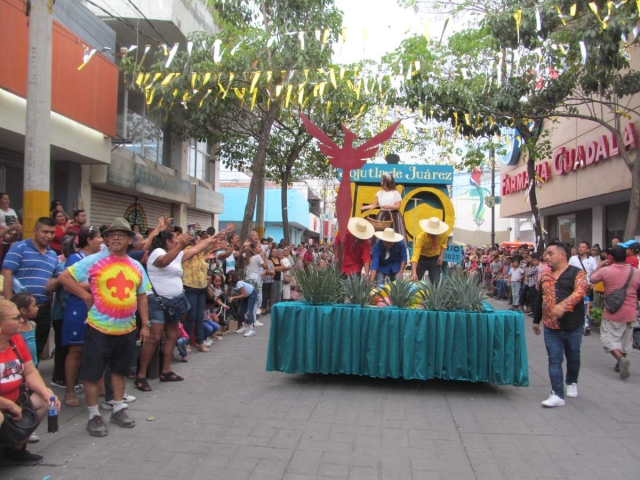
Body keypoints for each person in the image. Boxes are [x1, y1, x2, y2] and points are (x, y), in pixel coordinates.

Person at [58, 218, 151, 437]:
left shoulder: (136, 265)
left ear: (130, 240)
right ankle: (93, 416)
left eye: (122, 234)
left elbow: (141, 295)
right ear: (106, 239)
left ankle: (118, 409)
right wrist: (84, 295)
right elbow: (64, 277)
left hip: (127, 329)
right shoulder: (93, 261)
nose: (116, 237)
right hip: (99, 328)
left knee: (119, 371)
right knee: (92, 374)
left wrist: (145, 324)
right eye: (112, 234)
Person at [136, 229, 219, 393]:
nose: (178, 239)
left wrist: (213, 239)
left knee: (173, 335)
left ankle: (166, 370)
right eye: (175, 238)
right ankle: (141, 375)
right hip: (158, 302)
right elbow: (163, 262)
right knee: (154, 337)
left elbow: (196, 249)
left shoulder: (177, 254)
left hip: (174, 303)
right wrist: (181, 245)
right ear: (167, 241)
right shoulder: (157, 252)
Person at [0, 299, 61, 465]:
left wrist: (44, 391)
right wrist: (10, 405)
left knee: (45, 399)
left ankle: (17, 449)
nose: (21, 320)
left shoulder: (16, 340)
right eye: (15, 318)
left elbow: (30, 371)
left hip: (16, 397)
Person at [533, 241, 589, 407]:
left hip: (573, 325)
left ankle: (571, 381)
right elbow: (540, 300)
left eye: (550, 253)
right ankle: (557, 394)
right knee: (554, 360)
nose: (546, 257)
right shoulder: (546, 275)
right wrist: (536, 321)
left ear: (563, 255)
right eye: (546, 254)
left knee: (573, 356)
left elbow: (580, 292)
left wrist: (563, 306)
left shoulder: (577, 273)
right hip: (551, 327)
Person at [2, 217, 60, 361]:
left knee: (36, 349)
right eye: (45, 232)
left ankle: (30, 379)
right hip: (20, 309)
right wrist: (11, 306)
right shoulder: (19, 248)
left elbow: (60, 276)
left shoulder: (53, 254)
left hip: (42, 308)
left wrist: (56, 281)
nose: (49, 236)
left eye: (52, 233)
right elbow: (7, 274)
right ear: (35, 231)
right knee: (16, 348)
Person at [60, 227, 103, 407]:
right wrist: (92, 287)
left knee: (98, 349)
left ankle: (99, 387)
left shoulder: (102, 259)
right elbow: (67, 284)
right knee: (76, 350)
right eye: (99, 237)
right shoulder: (75, 259)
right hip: (79, 308)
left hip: (98, 308)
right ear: (89, 240)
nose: (102, 240)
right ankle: (70, 390)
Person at [590, 245, 640, 379]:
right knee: (625, 340)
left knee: (608, 339)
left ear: (610, 257)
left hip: (613, 312)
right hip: (630, 312)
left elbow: (592, 278)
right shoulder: (636, 272)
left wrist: (600, 265)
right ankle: (621, 363)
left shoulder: (606, 271)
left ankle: (620, 359)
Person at [182, 232, 220, 353]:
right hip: (190, 288)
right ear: (192, 243)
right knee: (191, 317)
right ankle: (186, 343)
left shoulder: (199, 254)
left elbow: (205, 248)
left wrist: (214, 242)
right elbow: (202, 246)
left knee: (199, 317)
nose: (201, 242)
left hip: (201, 288)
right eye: (199, 240)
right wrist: (212, 240)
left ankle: (200, 341)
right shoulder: (188, 251)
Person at [360, 173, 407, 242]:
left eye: (383, 181)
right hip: (382, 216)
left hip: (394, 217)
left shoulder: (395, 193)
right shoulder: (379, 193)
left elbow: (398, 206)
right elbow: (374, 205)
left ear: (388, 182)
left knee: (394, 233)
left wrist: (389, 206)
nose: (381, 183)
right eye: (381, 181)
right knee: (381, 234)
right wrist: (365, 207)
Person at [569, 241, 598, 335]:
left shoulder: (592, 260)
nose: (580, 248)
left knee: (586, 305)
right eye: (579, 247)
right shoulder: (573, 259)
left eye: (583, 247)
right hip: (574, 286)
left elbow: (595, 271)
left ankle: (586, 326)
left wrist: (593, 283)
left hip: (586, 286)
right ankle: (575, 324)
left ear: (587, 250)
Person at [410, 217, 449, 284]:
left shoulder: (444, 234)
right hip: (422, 258)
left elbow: (444, 243)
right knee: (415, 279)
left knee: (435, 281)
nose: (433, 234)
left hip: (435, 258)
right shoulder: (421, 237)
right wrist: (414, 272)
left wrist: (441, 255)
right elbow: (415, 255)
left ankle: (434, 294)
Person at [225, 270, 258, 337]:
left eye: (230, 278)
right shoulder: (231, 285)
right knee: (240, 310)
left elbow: (243, 295)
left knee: (249, 311)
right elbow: (227, 292)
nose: (229, 279)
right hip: (246, 295)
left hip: (251, 293)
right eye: (228, 278)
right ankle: (244, 327)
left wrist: (233, 298)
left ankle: (252, 329)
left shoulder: (239, 283)